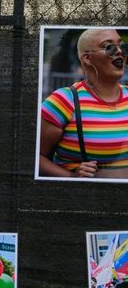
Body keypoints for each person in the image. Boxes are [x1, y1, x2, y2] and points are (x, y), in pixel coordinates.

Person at [39, 28, 128, 179]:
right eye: (109, 47)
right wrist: (71, 176)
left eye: (123, 46)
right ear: (87, 58)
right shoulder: (63, 101)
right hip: (85, 198)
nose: (119, 51)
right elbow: (35, 157)